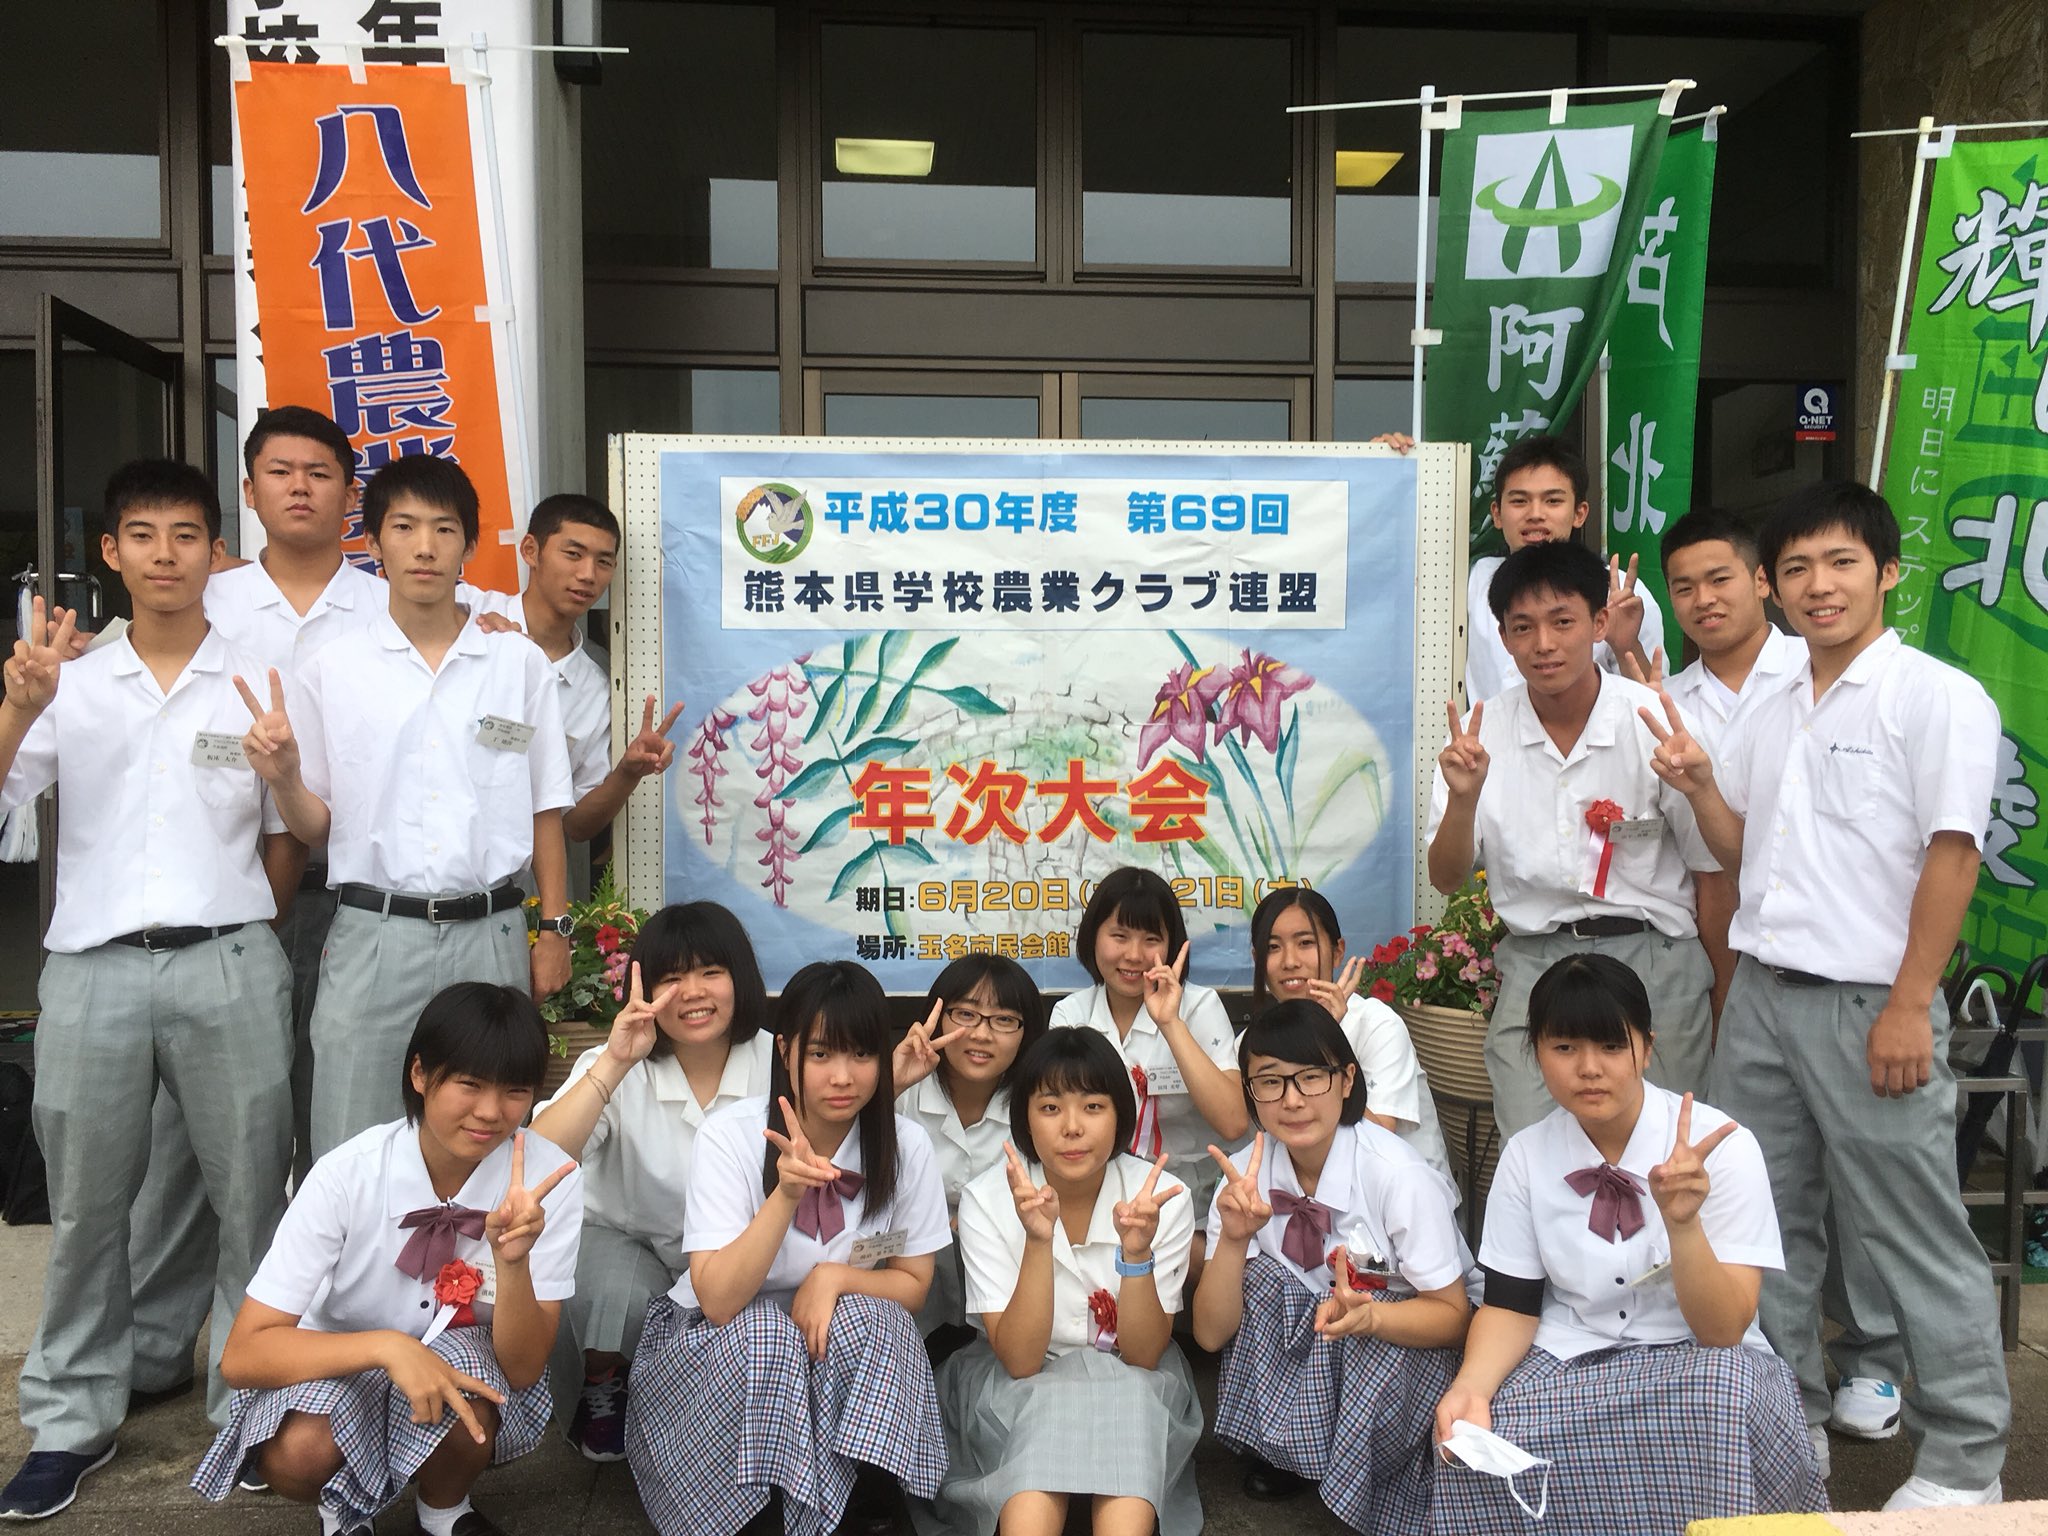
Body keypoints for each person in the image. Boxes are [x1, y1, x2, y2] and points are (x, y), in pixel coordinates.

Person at [1645, 481, 2011, 1509]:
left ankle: (1963, 1462)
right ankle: (1786, 1420)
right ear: (1774, 584)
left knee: (1911, 1233)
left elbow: (1951, 857)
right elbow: (1740, 850)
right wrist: (1698, 787)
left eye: (1842, 562)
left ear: (1887, 572)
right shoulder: (1773, 707)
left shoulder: (1933, 697)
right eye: (1797, 567)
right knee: (1759, 1221)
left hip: (1870, 1005)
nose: (1819, 585)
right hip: (1762, 996)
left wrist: (1908, 1003)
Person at [0, 462, 296, 1522]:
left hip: (228, 962)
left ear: (217, 552)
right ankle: (70, 1420)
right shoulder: (67, 680)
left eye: (184, 534)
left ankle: (249, 1408)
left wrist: (245, 923)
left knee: (252, 1196)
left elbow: (293, 832)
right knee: (87, 1206)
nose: (164, 554)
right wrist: (15, 706)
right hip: (93, 970)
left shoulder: (258, 679)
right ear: (111, 552)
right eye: (141, 533)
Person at [124, 405, 386, 1429]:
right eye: (281, 471)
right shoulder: (209, 597)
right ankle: (154, 1345)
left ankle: (302, 1338)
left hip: (347, 898)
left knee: (330, 1130)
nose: (301, 487)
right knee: (195, 1142)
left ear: (350, 495)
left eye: (321, 472)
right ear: (250, 489)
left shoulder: (388, 604)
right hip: (223, 910)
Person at [239, 452, 576, 1157]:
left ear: (469, 546)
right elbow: (315, 825)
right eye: (404, 527)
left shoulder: (517, 665)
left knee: (485, 1135)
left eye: (444, 529)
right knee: (351, 1138)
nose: (425, 547)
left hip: (489, 933)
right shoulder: (332, 668)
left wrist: (555, 929)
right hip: (374, 932)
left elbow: (546, 807)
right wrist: (285, 780)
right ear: (372, 543)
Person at [1654, 507, 1902, 1443]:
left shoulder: (1831, 674)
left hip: (1858, 976)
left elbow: (1933, 852)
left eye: (1722, 578)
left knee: (1867, 1179)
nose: (1704, 600)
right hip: (1752, 958)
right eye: (1685, 587)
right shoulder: (1673, 697)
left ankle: (1876, 1357)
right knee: (1771, 1183)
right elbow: (1726, 859)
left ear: (1761, 583)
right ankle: (1787, 1390)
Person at [1429, 955, 1823, 1535]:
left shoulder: (1724, 1148)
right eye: (1565, 1047)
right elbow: (1511, 1305)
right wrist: (1471, 1387)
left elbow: (1723, 1331)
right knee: (1482, 1432)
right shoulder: (1527, 1155)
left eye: (1612, 1046)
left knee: (1722, 1395)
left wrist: (1683, 1224)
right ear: (1536, 1051)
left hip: (1695, 1361)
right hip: (1569, 1355)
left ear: (1646, 1047)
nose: (1589, 1068)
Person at [191, 983, 583, 1536]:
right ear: (420, 1074)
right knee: (299, 1452)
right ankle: (343, 1513)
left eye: (515, 1091)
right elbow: (242, 1354)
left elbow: (521, 1370)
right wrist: (389, 1347)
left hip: (461, 1362)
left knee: (471, 1399)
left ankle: (444, 1510)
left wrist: (512, 1263)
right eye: (469, 1084)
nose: (491, 1112)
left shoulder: (549, 1180)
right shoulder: (345, 1174)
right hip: (341, 1357)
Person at [625, 961, 950, 1536]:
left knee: (879, 1320)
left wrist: (833, 1278)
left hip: (832, 1336)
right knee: (767, 1335)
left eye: (862, 1054)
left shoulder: (906, 1146)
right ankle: (759, 1516)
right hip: (719, 1341)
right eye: (821, 1054)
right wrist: (786, 1194)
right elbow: (717, 1301)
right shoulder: (730, 1136)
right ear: (785, 1051)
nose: (842, 1077)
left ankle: (867, 1501)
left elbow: (914, 1284)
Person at [1427, 540, 1727, 1137]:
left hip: (1655, 963)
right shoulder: (1482, 736)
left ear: (1599, 623)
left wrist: (1723, 998)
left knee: (1662, 1152)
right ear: (1503, 637)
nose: (1544, 643)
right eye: (1523, 627)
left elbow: (1712, 868)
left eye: (1562, 621)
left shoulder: (1652, 721)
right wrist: (1464, 798)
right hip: (1537, 963)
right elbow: (1446, 877)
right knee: (1533, 1148)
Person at [1193, 1002, 1471, 1531]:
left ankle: (1373, 1469)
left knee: (1370, 1308)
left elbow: (1455, 1317)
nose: (1292, 1099)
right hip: (1319, 1330)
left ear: (1346, 1081)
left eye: (1311, 1077)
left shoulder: (1397, 1176)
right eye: (1270, 1081)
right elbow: (1209, 1334)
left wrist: (1374, 1317)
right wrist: (1232, 1239)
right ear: (1250, 1093)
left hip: (1404, 1340)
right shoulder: (1245, 1179)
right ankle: (1293, 1451)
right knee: (1261, 1279)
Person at [916, 1027, 1201, 1536]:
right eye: (1050, 1108)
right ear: (1024, 1117)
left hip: (1132, 1378)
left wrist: (1137, 1254)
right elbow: (1021, 1361)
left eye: (1093, 1107)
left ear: (1120, 1114)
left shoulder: (1161, 1197)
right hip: (1019, 1381)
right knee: (1042, 1424)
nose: (1072, 1128)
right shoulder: (988, 1198)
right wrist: (1038, 1240)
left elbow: (1142, 1356)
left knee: (1127, 1397)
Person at [528, 901, 775, 1461]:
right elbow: (540, 1156)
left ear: (740, 978)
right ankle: (606, 1379)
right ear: (643, 988)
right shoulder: (617, 1058)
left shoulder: (779, 1059)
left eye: (711, 972)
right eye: (671, 978)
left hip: (741, 1251)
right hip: (630, 1242)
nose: (693, 992)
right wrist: (615, 1063)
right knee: (616, 1293)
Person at [1048, 868, 1247, 1269]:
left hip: (1191, 1205)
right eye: (1119, 936)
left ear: (1172, 945)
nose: (1135, 955)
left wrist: (1171, 1024)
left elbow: (1233, 1123)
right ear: (1093, 938)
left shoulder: (1199, 1007)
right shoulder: (1071, 1014)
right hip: (1099, 1198)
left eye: (1151, 939)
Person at [461, 493, 682, 845]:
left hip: (512, 870)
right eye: (574, 554)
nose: (587, 575)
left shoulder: (595, 689)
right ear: (531, 551)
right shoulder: (467, 612)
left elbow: (575, 826)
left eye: (604, 562)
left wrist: (628, 772)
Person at [894, 955, 1049, 1348]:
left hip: (1005, 1265)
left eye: (1004, 1020)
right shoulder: (902, 1090)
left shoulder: (1040, 1102)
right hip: (912, 1271)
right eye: (965, 1014)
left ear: (1027, 1032)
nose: (981, 1035)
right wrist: (889, 1087)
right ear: (937, 1018)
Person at [1249, 886, 1452, 1182]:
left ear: (1338, 952)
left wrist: (1324, 1035)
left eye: (1305, 943)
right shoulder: (1256, 1040)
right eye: (1273, 947)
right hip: (1311, 1196)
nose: (1289, 961)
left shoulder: (1377, 1024)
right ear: (1256, 958)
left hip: (1400, 1194)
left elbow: (1379, 1136)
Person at [1464, 436, 1663, 705]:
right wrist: (1403, 461)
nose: (1535, 514)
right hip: (1491, 731)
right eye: (1520, 501)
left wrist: (1625, 644)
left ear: (1580, 513)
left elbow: (1653, 700)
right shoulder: (1472, 579)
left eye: (1553, 501)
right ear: (1497, 514)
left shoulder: (1621, 592)